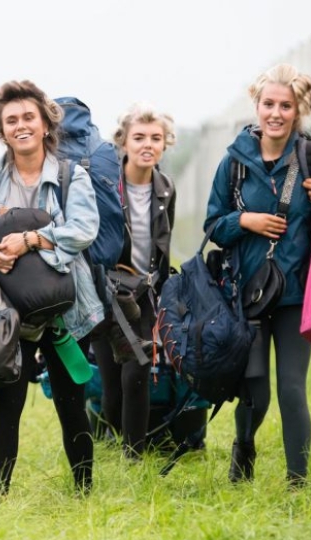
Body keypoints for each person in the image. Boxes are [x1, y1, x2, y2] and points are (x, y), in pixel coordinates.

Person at [204, 63, 311, 488]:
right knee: (255, 393)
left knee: (292, 390)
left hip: (296, 297)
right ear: (256, 107)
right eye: (268, 104)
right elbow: (212, 225)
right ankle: (244, 449)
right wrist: (246, 221)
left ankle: (298, 483)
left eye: (285, 106)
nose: (275, 113)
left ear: (298, 111)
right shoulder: (234, 162)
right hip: (247, 297)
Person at [0, 80, 104, 503]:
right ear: (1, 131)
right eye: (11, 120)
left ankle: (83, 493)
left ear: (45, 125)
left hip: (65, 310)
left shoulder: (70, 175)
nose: (21, 126)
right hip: (9, 315)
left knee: (70, 403)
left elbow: (83, 230)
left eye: (28, 117)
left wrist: (30, 240)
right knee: (7, 405)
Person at [89, 103, 177, 459]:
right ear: (123, 143)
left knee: (138, 367)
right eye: (139, 137)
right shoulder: (106, 186)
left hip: (143, 293)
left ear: (164, 144)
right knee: (112, 383)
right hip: (107, 289)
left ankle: (134, 455)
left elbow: (162, 245)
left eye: (156, 138)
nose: (147, 145)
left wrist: (162, 290)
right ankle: (113, 432)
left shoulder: (166, 188)